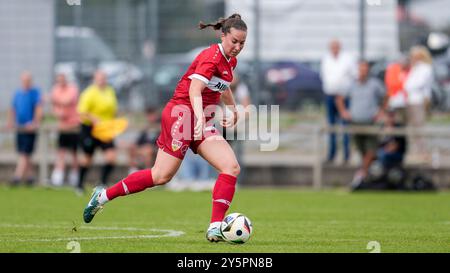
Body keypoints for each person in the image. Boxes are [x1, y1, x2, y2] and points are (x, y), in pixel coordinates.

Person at [82, 14, 247, 243]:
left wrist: (234, 109)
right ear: (223, 35)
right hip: (181, 114)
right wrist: (199, 117)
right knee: (160, 176)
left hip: (199, 120)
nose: (238, 47)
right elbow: (194, 90)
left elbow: (223, 86)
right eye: (234, 41)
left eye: (242, 43)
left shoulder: (230, 61)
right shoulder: (211, 57)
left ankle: (215, 227)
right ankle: (103, 196)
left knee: (231, 167)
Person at [336, 60, 387, 187]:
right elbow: (339, 98)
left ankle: (361, 174)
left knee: (371, 149)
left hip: (371, 122)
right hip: (356, 122)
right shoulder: (352, 84)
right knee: (362, 150)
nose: (363, 72)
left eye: (365, 69)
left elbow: (386, 96)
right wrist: (344, 112)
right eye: (361, 69)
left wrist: (381, 111)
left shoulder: (375, 84)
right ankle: (367, 178)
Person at [76, 70, 118, 193]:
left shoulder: (110, 90)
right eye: (99, 78)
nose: (102, 80)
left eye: (104, 78)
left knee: (111, 157)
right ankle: (79, 185)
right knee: (87, 158)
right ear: (95, 79)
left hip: (105, 129)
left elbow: (113, 109)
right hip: (90, 129)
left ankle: (102, 183)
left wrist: (114, 124)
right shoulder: (89, 93)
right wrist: (94, 119)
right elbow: (81, 112)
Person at [320, 39, 356, 164]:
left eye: (336, 47)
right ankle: (332, 154)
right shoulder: (326, 59)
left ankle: (346, 156)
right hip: (330, 95)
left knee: (345, 126)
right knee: (331, 126)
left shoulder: (347, 59)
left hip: (344, 96)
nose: (334, 49)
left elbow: (353, 75)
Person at [7, 71, 43, 186]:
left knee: (24, 152)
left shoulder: (35, 93)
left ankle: (17, 177)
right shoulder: (18, 93)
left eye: (28, 80)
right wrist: (11, 122)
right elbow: (13, 108)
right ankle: (30, 177)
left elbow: (38, 108)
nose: (26, 83)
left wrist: (34, 122)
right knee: (25, 153)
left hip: (30, 128)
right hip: (20, 127)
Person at [49, 73, 80, 187]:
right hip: (62, 127)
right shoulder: (56, 89)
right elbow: (55, 107)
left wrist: (57, 101)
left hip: (73, 127)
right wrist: (58, 106)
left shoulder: (72, 89)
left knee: (74, 153)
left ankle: (75, 178)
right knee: (61, 152)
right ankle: (58, 179)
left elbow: (67, 100)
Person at [403, 45, 433, 160]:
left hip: (419, 101)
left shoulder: (426, 68)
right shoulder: (415, 68)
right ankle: (417, 151)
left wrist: (409, 86)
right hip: (411, 100)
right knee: (413, 129)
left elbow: (417, 84)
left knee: (420, 127)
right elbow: (407, 84)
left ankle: (423, 152)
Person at [127, 106, 160, 174]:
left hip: (156, 149)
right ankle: (133, 170)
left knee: (148, 150)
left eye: (152, 115)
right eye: (149, 115)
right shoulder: (146, 129)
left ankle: (148, 172)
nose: (150, 117)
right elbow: (138, 141)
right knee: (131, 148)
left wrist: (149, 146)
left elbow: (162, 141)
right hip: (144, 148)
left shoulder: (160, 127)